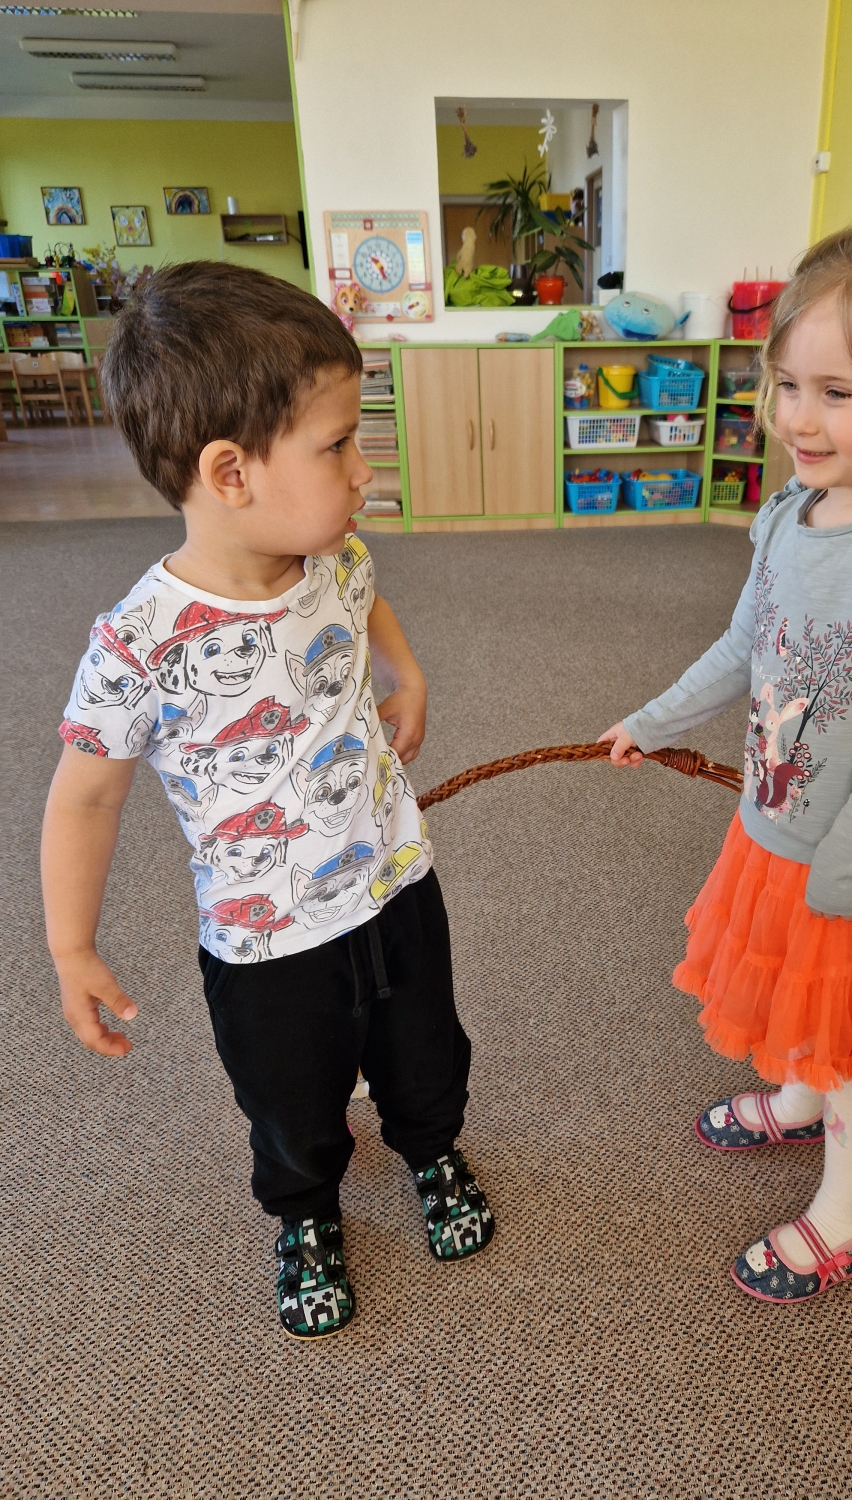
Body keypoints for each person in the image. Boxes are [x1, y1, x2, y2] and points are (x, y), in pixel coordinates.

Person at [41, 262, 494, 1342]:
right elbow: (84, 800)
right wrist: (71, 947)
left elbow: (368, 597)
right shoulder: (139, 645)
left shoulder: (330, 556)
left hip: (395, 881)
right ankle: (306, 1215)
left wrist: (407, 675)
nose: (364, 469)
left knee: (426, 1052)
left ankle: (431, 1149)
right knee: (289, 1097)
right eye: (337, 445)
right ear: (230, 471)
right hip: (266, 939)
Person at [600, 208, 852, 1303]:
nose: (798, 417)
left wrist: (850, 861)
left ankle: (844, 1216)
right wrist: (654, 718)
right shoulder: (796, 513)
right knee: (799, 1005)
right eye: (787, 384)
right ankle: (793, 1102)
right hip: (783, 830)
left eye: (837, 392)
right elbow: (746, 642)